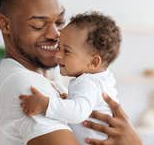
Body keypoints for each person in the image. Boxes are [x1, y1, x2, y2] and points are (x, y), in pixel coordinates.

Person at [0, 0, 142, 145]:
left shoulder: (45, 82)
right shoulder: (26, 86)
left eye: (59, 22)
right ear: (5, 24)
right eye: (38, 24)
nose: (55, 34)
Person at [19, 12, 122, 145]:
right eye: (59, 47)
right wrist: (70, 100)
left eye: (66, 51)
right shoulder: (102, 79)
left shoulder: (88, 82)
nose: (58, 55)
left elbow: (78, 112)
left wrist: (45, 104)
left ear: (94, 62)